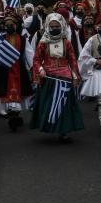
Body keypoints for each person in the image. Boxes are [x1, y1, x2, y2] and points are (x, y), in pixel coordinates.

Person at [30, 14, 83, 142]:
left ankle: (64, 131)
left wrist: (75, 76)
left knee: (64, 105)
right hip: (48, 77)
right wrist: (41, 69)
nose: (54, 28)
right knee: (49, 104)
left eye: (57, 26)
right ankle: (50, 125)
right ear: (48, 26)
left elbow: (73, 60)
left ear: (62, 26)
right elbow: (36, 59)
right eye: (52, 26)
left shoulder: (67, 42)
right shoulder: (43, 42)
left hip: (65, 77)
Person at [0, 10, 33, 132]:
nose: (9, 27)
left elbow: (29, 54)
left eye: (11, 25)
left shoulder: (23, 39)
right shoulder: (0, 38)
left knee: (20, 92)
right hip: (4, 70)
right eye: (7, 25)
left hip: (19, 69)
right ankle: (12, 115)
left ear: (16, 25)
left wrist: (33, 67)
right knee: (5, 92)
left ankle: (16, 114)